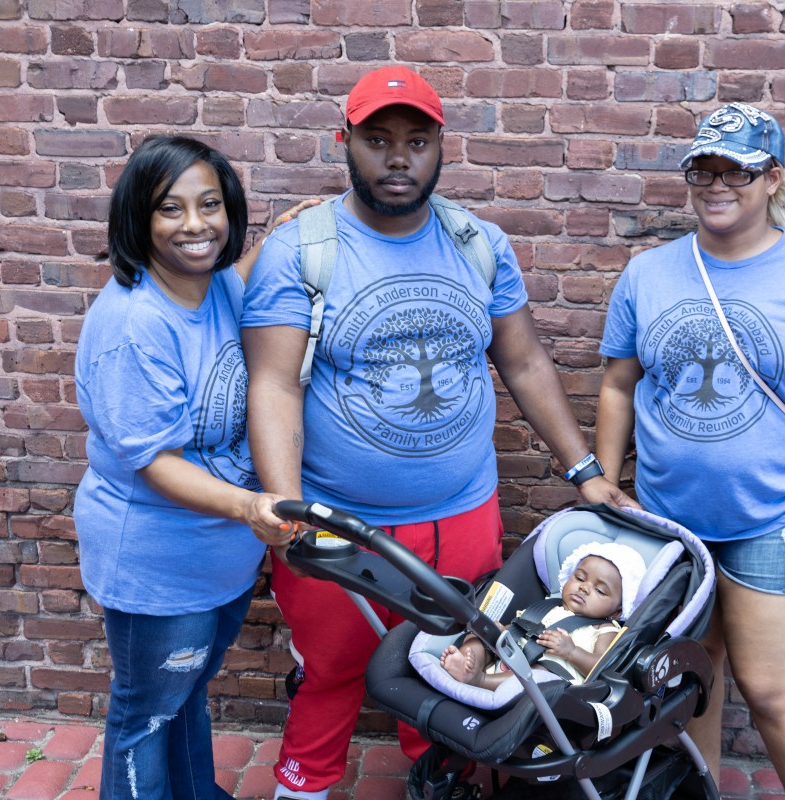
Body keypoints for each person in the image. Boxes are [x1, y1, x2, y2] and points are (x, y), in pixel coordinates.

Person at [240, 65, 634, 800]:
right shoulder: (302, 250)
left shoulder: (477, 243)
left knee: (455, 669)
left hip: (462, 517)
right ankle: (304, 788)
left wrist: (585, 470)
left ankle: (442, 784)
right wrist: (289, 509)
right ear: (345, 142)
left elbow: (523, 359)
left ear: (440, 147)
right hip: (338, 524)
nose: (398, 158)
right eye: (379, 140)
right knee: (331, 674)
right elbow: (273, 382)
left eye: (416, 142)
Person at [594, 103, 785, 800]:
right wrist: (604, 483)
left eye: (737, 172)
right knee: (692, 677)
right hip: (669, 515)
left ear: (772, 177)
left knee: (766, 684)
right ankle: (705, 792)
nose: (717, 186)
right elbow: (618, 384)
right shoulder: (649, 274)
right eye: (704, 171)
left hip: (773, 514)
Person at [73, 135, 296, 800]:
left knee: (188, 692)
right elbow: (155, 464)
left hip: (218, 557)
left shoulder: (216, 283)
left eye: (210, 204)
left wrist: (279, 239)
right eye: (171, 208)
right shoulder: (133, 325)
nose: (196, 224)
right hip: (159, 565)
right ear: (138, 218)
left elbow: (239, 277)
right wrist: (250, 505)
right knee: (147, 712)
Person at [440, 542, 645, 689]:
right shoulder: (547, 606)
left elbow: (603, 666)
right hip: (509, 659)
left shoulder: (605, 630)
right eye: (580, 578)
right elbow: (520, 629)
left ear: (617, 611)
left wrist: (571, 652)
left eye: (599, 590)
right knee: (479, 637)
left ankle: (479, 681)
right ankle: (466, 664)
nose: (584, 588)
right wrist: (502, 632)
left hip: (547, 681)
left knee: (540, 674)